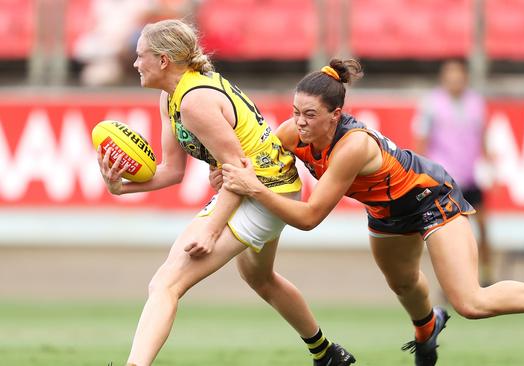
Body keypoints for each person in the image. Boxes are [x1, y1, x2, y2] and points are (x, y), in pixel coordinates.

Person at [220, 59, 524, 366]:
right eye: (295, 112)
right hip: (386, 212)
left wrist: (253, 187)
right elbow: (256, 162)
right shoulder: (293, 134)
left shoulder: (353, 145)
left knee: (470, 302)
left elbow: (309, 217)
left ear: (335, 115)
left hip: (430, 199)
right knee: (405, 284)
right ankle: (428, 327)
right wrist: (223, 166)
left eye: (309, 115)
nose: (299, 123)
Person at [96, 20, 355, 366]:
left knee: (166, 282)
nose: (134, 63)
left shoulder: (194, 101)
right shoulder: (171, 98)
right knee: (261, 279)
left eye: (140, 55)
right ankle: (327, 354)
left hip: (264, 189)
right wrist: (121, 187)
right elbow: (172, 172)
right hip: (262, 184)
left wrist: (212, 228)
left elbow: (239, 168)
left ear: (162, 60)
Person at [412, 59, 493, 285]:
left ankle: (486, 274)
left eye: (458, 74)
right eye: (450, 75)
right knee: (449, 234)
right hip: (445, 179)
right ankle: (451, 281)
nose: (454, 79)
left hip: (469, 176)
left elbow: (483, 135)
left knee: (484, 228)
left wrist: (487, 162)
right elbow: (422, 141)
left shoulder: (476, 103)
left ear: (465, 77)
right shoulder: (431, 104)